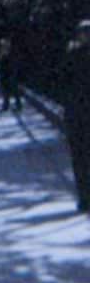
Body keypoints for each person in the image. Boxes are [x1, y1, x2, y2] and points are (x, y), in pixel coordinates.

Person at [61, 19, 90, 211]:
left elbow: (61, 82)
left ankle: (84, 197)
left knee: (79, 158)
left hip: (76, 112)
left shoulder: (72, 55)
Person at [0, 37, 21, 112]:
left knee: (14, 91)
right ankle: (6, 105)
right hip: (5, 74)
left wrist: (11, 72)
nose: (2, 46)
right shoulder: (3, 53)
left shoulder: (10, 53)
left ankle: (18, 106)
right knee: (6, 91)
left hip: (10, 74)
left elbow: (12, 64)